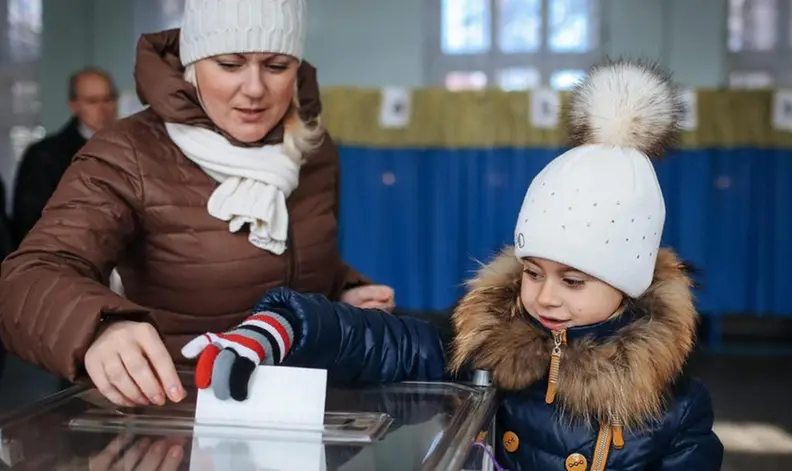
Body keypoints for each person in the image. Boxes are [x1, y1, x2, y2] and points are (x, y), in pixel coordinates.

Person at [185, 60, 724, 470]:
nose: (545, 297)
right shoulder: (487, 346)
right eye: (533, 272)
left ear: (627, 285)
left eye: (574, 280)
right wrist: (281, 328)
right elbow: (379, 342)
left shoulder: (675, 410)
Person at [0, 0, 394, 409]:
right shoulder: (129, 152)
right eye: (229, 63)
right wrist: (98, 327)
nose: (256, 88)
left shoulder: (312, 149)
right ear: (193, 63)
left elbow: (292, 263)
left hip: (301, 407)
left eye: (276, 66)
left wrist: (342, 292)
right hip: (178, 418)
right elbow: (25, 279)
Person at [11, 68, 119, 246]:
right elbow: (30, 226)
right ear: (74, 106)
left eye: (108, 99)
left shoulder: (134, 149)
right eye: (92, 101)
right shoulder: (44, 156)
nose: (103, 109)